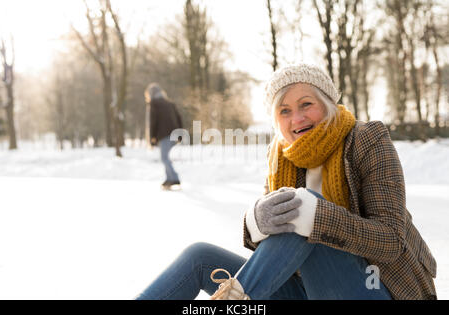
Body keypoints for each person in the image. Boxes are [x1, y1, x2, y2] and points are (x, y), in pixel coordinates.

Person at [136, 64, 437, 300]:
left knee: (302, 207)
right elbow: (275, 252)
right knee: (199, 257)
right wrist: (254, 221)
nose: (297, 119)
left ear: (328, 104)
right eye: (285, 111)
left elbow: (392, 240)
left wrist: (318, 217)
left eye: (306, 104)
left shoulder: (365, 139)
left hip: (374, 288)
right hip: (307, 291)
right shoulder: (280, 156)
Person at [145, 83, 183, 189]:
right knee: (166, 157)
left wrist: (152, 138)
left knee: (164, 157)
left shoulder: (154, 104)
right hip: (174, 134)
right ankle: (169, 178)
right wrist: (180, 134)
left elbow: (153, 122)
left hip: (164, 134)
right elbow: (179, 118)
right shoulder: (169, 103)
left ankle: (174, 178)